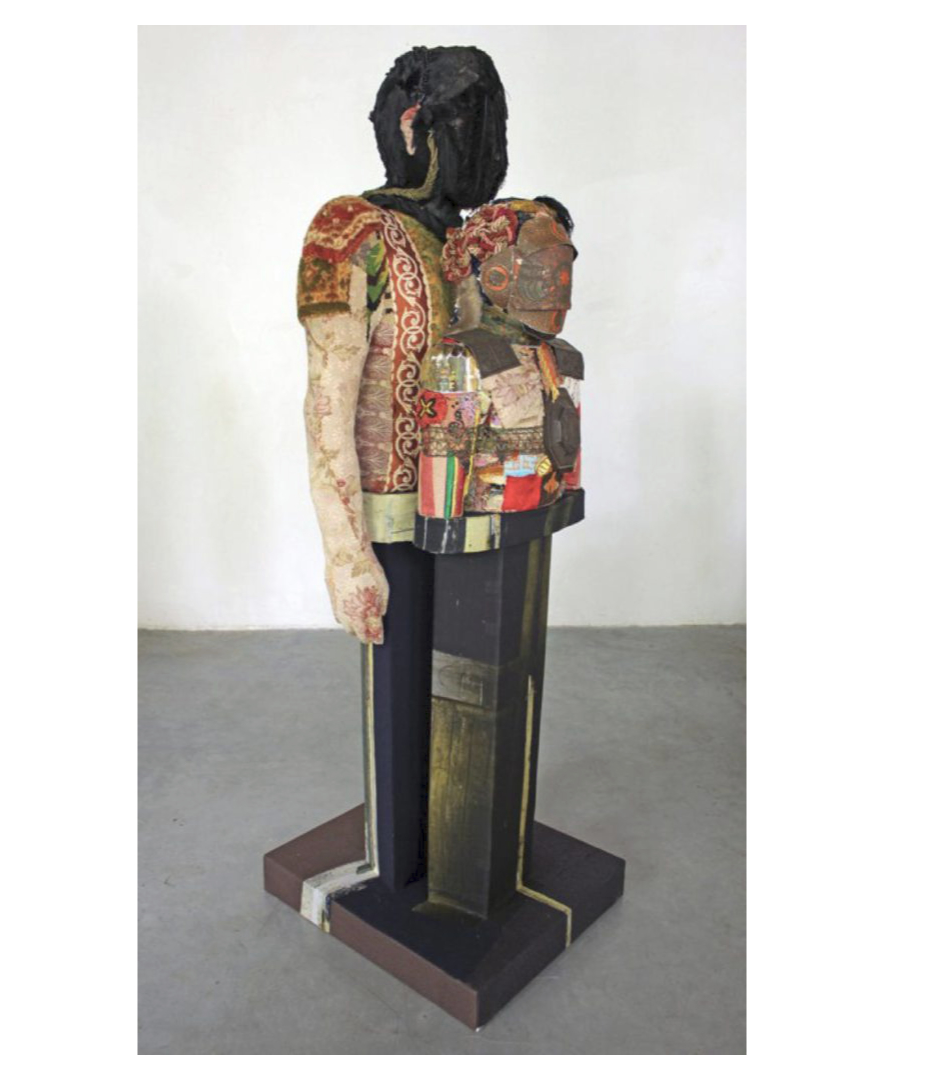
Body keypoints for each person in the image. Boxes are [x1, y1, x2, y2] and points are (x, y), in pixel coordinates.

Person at [295, 47, 508, 899]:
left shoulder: (455, 238)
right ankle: (397, 867)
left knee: (464, 696)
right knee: (401, 700)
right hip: (390, 516)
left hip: (465, 509)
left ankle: (448, 852)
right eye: (474, 125)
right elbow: (327, 400)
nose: (488, 149)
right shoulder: (348, 229)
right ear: (416, 125)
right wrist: (345, 552)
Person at [413, 198, 585, 917]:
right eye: (545, 264)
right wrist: (446, 525)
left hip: (533, 523)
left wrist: (563, 493)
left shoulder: (560, 358)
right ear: (497, 273)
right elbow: (443, 459)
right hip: (478, 544)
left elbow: (564, 441)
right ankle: (462, 877)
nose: (560, 281)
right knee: (473, 691)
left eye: (564, 264)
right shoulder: (460, 357)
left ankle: (498, 856)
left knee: (520, 676)